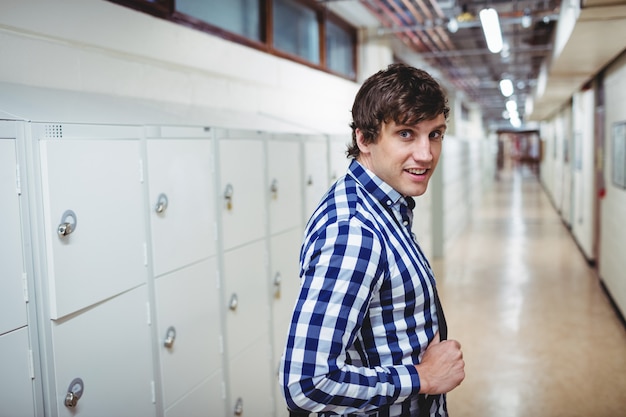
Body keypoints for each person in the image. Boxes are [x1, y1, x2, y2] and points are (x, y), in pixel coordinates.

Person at [279, 63, 465, 417]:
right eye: (406, 134)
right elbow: (306, 384)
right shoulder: (355, 231)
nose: (426, 154)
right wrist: (421, 378)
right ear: (364, 138)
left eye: (435, 134)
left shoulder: (385, 206)